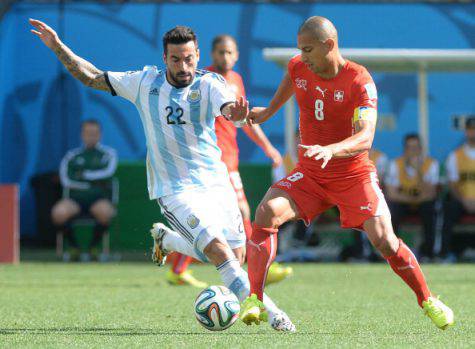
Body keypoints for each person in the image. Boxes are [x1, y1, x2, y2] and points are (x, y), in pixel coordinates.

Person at [30, 19, 295, 332]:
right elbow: (91, 77)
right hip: (175, 188)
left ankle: (167, 239)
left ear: (197, 55)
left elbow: (229, 109)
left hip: (215, 182)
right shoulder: (145, 83)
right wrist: (58, 46)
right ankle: (270, 311)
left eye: (189, 58)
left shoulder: (210, 84)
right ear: (164, 58)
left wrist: (235, 114)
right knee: (219, 251)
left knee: (234, 255)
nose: (183, 66)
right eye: (175, 59)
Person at [239, 16, 454, 330]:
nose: (303, 56)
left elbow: (365, 137)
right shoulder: (299, 65)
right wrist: (268, 111)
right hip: (311, 174)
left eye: (309, 49)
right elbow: (292, 76)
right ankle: (255, 300)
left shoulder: (359, 81)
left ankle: (428, 300)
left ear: (329, 45)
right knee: (266, 212)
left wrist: (331, 150)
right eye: (300, 49)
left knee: (384, 240)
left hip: (353, 175)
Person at [167, 34, 292, 287]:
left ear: (236, 55)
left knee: (212, 220)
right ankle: (262, 267)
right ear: (211, 54)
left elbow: (242, 119)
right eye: (220, 52)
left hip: (229, 158)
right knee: (243, 212)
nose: (225, 57)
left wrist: (267, 147)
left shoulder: (235, 80)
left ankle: (179, 268)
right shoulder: (204, 80)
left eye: (229, 52)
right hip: (215, 159)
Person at [51, 119, 117, 261]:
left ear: (100, 135)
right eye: (88, 133)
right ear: (82, 135)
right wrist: (89, 184)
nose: (91, 136)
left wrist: (83, 175)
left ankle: (93, 248)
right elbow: (66, 180)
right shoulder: (72, 156)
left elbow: (108, 173)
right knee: (58, 213)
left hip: (98, 198)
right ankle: (75, 249)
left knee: (105, 212)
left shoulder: (108, 154)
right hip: (75, 199)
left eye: (94, 133)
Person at [385, 134, 439, 260]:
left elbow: (431, 194)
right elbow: (391, 194)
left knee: (430, 208)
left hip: (423, 203)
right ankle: (392, 251)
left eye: (416, 148)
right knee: (392, 209)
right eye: (410, 148)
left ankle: (428, 253)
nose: (413, 151)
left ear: (421, 149)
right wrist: (413, 200)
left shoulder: (431, 164)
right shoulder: (395, 164)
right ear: (405, 150)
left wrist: (418, 171)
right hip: (403, 202)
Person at [441, 116, 475, 260]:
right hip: (462, 201)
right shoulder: (455, 156)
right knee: (449, 209)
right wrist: (464, 201)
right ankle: (447, 253)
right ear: (466, 132)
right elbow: (453, 185)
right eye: (470, 130)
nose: (473, 133)